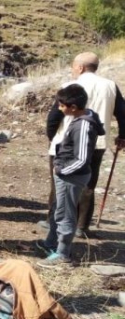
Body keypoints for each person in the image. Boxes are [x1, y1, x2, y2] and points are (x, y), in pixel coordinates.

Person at [39, 52, 125, 237]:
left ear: (80, 67)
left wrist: (51, 137)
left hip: (66, 143)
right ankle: (82, 225)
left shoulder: (69, 86)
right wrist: (122, 136)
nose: (72, 70)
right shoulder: (111, 86)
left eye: (73, 67)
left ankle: (53, 222)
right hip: (97, 143)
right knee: (88, 184)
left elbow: (54, 116)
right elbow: (122, 113)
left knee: (60, 181)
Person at [36, 84, 103, 268]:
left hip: (71, 176)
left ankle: (63, 254)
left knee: (66, 214)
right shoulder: (79, 118)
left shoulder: (83, 126)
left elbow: (81, 159)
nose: (59, 108)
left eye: (62, 105)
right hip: (68, 174)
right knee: (59, 208)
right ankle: (51, 243)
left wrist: (61, 170)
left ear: (73, 107)